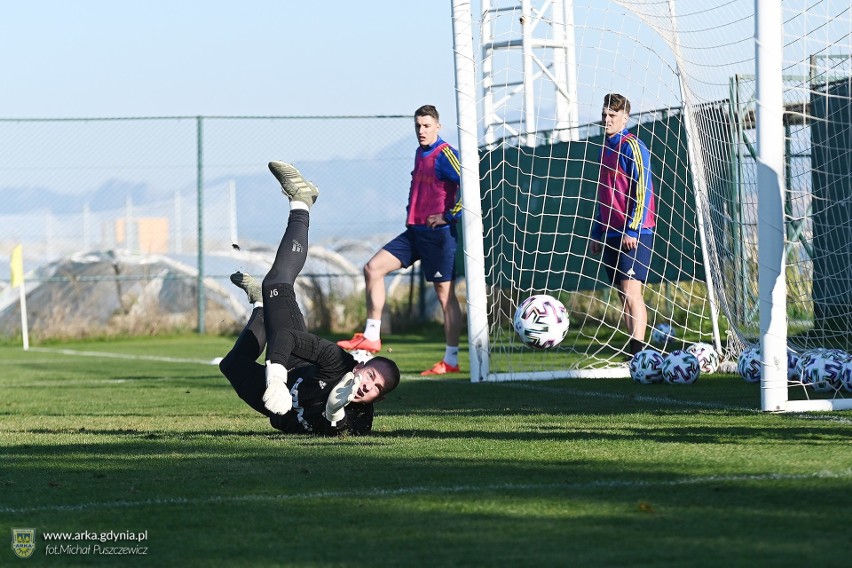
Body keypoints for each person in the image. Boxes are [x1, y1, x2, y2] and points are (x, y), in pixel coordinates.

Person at [219, 161, 401, 435]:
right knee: (277, 283)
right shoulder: (337, 361)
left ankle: (260, 307)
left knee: (230, 364)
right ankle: (301, 201)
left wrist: (335, 413)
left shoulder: (361, 415)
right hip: (293, 365)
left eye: (376, 389)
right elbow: (285, 339)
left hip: (282, 403)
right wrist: (277, 379)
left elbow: (345, 435)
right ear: (361, 366)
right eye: (371, 377)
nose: (368, 386)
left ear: (379, 399)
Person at [337, 104, 464, 376]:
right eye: (418, 125)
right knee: (373, 268)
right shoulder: (420, 152)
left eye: (427, 125)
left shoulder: (446, 154)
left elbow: (470, 181)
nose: (421, 130)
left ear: (438, 127)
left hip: (438, 237)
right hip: (414, 233)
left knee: (445, 297)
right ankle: (372, 335)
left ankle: (451, 360)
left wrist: (448, 216)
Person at [589, 93, 656, 357]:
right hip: (610, 232)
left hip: (634, 232)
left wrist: (633, 228)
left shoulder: (633, 146)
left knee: (631, 292)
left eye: (612, 115)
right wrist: (597, 230)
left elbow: (643, 190)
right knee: (621, 295)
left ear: (625, 118)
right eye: (604, 114)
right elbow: (604, 193)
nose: (606, 120)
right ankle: (634, 351)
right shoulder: (605, 148)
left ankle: (640, 353)